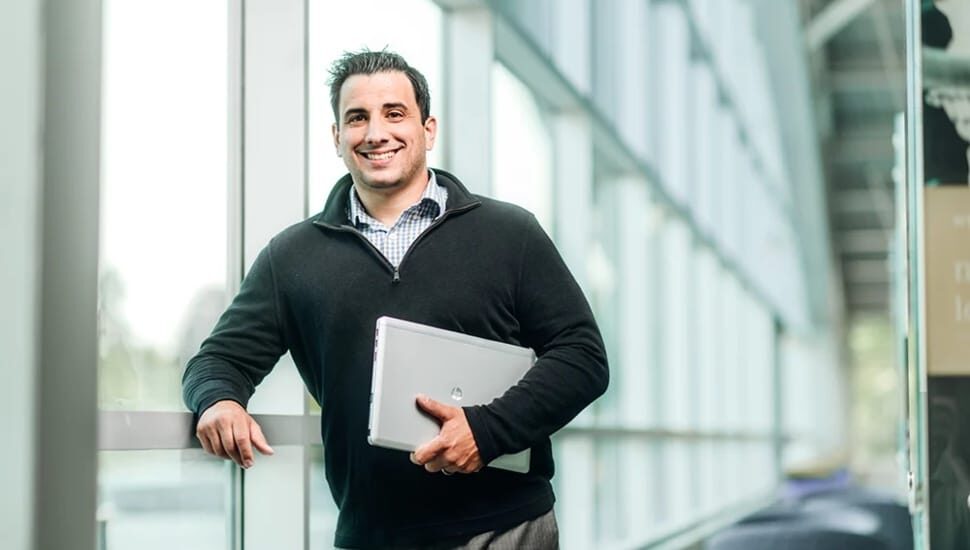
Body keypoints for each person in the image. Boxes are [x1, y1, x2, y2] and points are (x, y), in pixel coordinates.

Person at [182, 49, 609, 549]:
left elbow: (583, 357)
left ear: (428, 130)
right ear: (337, 138)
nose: (376, 132)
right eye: (357, 118)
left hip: (508, 527)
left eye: (394, 113)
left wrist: (487, 430)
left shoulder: (509, 234)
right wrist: (219, 402)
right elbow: (218, 359)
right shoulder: (292, 257)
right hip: (373, 536)